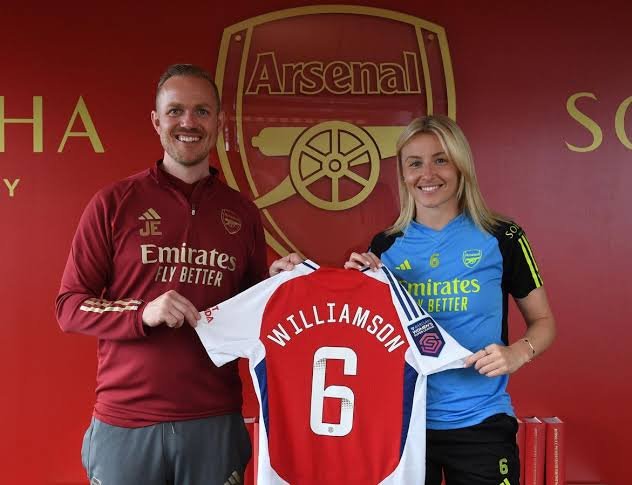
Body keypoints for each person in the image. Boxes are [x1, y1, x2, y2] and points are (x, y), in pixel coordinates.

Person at [55, 64, 268, 485]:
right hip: (126, 423)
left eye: (202, 111)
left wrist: (281, 284)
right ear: (156, 121)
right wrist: (142, 313)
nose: (188, 122)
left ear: (219, 122)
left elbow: (256, 315)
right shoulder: (114, 203)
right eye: (175, 111)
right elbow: (69, 306)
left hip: (213, 422)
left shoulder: (242, 213)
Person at [344, 115, 556, 485]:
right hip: (404, 424)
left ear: (461, 165)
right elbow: (362, 334)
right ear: (403, 174)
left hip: (481, 422)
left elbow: (544, 322)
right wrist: (344, 283)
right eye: (415, 163)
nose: (427, 174)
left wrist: (517, 353)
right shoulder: (385, 246)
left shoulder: (502, 236)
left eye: (440, 159)